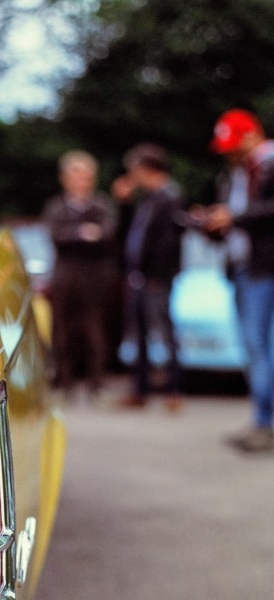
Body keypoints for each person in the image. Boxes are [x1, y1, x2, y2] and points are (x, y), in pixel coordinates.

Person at [205, 109, 274, 453]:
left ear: (251, 135)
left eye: (233, 144)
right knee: (254, 348)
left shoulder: (269, 164)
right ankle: (263, 420)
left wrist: (234, 217)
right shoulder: (234, 174)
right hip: (244, 268)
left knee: (261, 348)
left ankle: (267, 424)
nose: (229, 152)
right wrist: (212, 223)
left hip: (266, 270)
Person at [114, 143, 184, 411]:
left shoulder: (170, 197)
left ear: (147, 169)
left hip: (155, 278)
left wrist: (157, 273)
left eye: (134, 170)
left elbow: (168, 243)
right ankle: (140, 389)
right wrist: (124, 203)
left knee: (165, 333)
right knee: (139, 334)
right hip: (138, 276)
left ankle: (174, 390)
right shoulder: (148, 198)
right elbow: (128, 235)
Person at [43, 150, 117, 401]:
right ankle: (64, 383)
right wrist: (83, 233)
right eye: (76, 176)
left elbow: (108, 234)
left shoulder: (102, 205)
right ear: (65, 178)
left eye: (86, 176)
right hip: (65, 278)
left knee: (95, 332)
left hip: (94, 279)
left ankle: (97, 384)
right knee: (61, 333)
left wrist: (80, 235)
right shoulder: (56, 207)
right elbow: (57, 236)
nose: (82, 181)